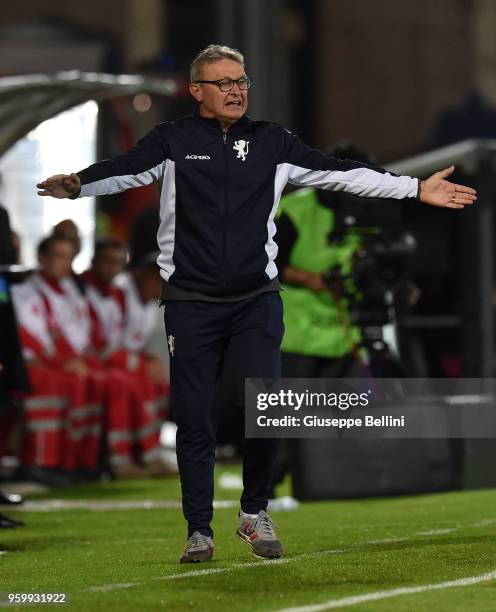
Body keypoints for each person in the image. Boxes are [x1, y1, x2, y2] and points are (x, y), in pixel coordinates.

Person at [36, 44, 477, 563]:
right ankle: (199, 529)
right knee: (195, 416)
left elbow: (338, 171)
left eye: (241, 80)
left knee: (266, 408)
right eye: (222, 82)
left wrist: (413, 189)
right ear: (197, 91)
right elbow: (126, 168)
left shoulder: (273, 142)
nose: (235, 90)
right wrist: (77, 185)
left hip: (255, 299)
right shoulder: (173, 141)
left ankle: (253, 512)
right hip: (191, 301)